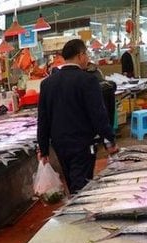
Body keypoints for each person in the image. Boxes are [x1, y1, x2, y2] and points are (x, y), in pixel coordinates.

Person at [37, 39, 118, 194]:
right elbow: (98, 114)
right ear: (80, 55)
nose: (87, 58)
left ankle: (75, 207)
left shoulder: (47, 83)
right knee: (81, 185)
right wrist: (109, 140)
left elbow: (43, 118)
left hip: (60, 145)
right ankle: (78, 213)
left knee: (72, 180)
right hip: (83, 144)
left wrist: (44, 149)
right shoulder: (87, 80)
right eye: (86, 54)